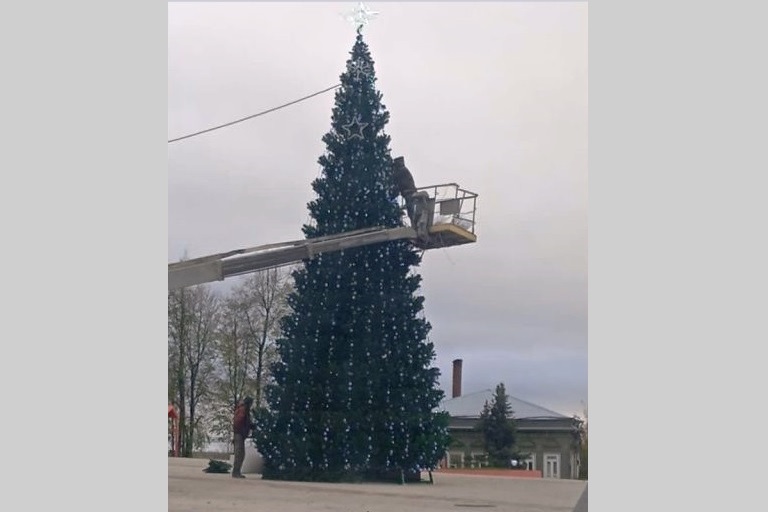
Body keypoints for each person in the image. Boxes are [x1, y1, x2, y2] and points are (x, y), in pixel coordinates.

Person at [392, 156, 431, 242]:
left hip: (409, 193)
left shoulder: (401, 171)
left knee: (411, 211)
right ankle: (415, 226)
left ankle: (414, 227)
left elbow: (395, 181)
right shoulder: (404, 170)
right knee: (412, 211)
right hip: (410, 192)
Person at [231, 396, 255, 478]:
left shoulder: (243, 409)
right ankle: (236, 472)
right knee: (239, 453)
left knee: (240, 453)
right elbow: (239, 421)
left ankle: (237, 471)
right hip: (239, 434)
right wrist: (245, 428)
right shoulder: (243, 410)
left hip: (239, 433)